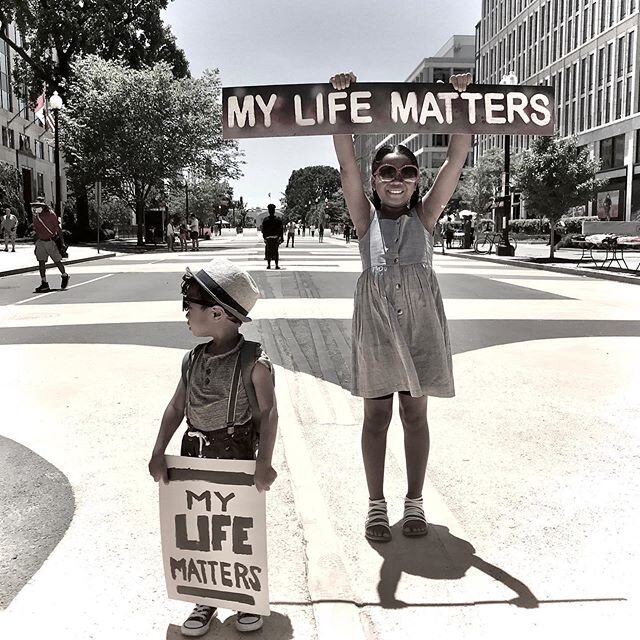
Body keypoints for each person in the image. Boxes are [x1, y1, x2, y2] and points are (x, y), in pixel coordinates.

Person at [330, 71, 472, 542]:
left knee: (416, 415)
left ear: (417, 180)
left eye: (407, 171)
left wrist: (461, 101)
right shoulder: (364, 219)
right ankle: (375, 504)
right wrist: (341, 103)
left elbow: (455, 157)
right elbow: (347, 164)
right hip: (375, 326)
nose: (397, 179)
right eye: (386, 172)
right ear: (375, 179)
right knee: (376, 417)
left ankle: (415, 501)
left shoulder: (426, 216)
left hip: (421, 328)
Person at [148, 258, 278, 637]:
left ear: (218, 313)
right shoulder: (192, 360)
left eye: (191, 306)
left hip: (234, 454)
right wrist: (159, 450)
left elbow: (268, 414)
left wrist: (263, 462)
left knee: (236, 529)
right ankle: (205, 597)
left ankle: (242, 597)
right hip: (194, 453)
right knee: (199, 529)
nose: (186, 313)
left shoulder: (254, 363)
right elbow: (176, 407)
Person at [32, 203, 69, 293]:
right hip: (41, 241)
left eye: (37, 206)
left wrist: (62, 242)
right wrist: (36, 242)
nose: (36, 208)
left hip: (50, 241)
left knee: (57, 260)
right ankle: (44, 282)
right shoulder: (36, 216)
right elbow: (36, 229)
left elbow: (58, 228)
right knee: (41, 261)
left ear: (43, 207)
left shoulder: (51, 215)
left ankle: (64, 275)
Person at [261, 204, 283, 269]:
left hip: (268, 238)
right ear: (274, 211)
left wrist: (264, 237)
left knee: (269, 251)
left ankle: (269, 265)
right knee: (276, 251)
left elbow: (263, 230)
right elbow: (281, 229)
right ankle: (276, 265)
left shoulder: (265, 220)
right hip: (275, 238)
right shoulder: (278, 220)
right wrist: (281, 237)